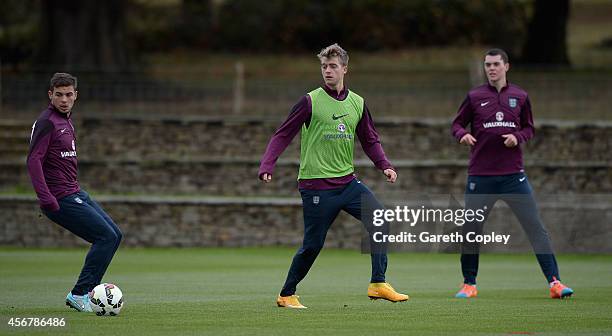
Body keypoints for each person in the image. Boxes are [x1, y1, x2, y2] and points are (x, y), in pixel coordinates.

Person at [259, 43, 408, 309]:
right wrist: (268, 164)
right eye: (324, 66)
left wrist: (384, 164)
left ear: (345, 69)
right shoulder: (310, 101)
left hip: (348, 183)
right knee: (313, 245)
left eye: (333, 66)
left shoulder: (357, 103)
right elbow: (282, 134)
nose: (327, 71)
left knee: (380, 219)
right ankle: (286, 294)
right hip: (316, 187)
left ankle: (378, 283)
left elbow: (370, 139)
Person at [451, 49, 573, 299]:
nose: (491, 68)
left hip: (513, 177)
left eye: (496, 64)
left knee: (536, 229)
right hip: (480, 176)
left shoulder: (520, 96)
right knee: (471, 230)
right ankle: (469, 284)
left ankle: (555, 283)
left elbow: (529, 128)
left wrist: (517, 137)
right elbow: (456, 124)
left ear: (506, 66)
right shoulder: (475, 96)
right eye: (487, 65)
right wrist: (462, 135)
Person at [27, 73, 123, 312]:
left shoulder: (66, 121)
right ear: (50, 95)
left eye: (69, 94)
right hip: (59, 197)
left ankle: (90, 292)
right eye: (59, 95)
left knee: (115, 235)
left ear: (75, 96)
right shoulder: (47, 121)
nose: (64, 99)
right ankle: (80, 294)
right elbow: (33, 161)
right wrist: (45, 197)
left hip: (75, 191)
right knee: (106, 237)